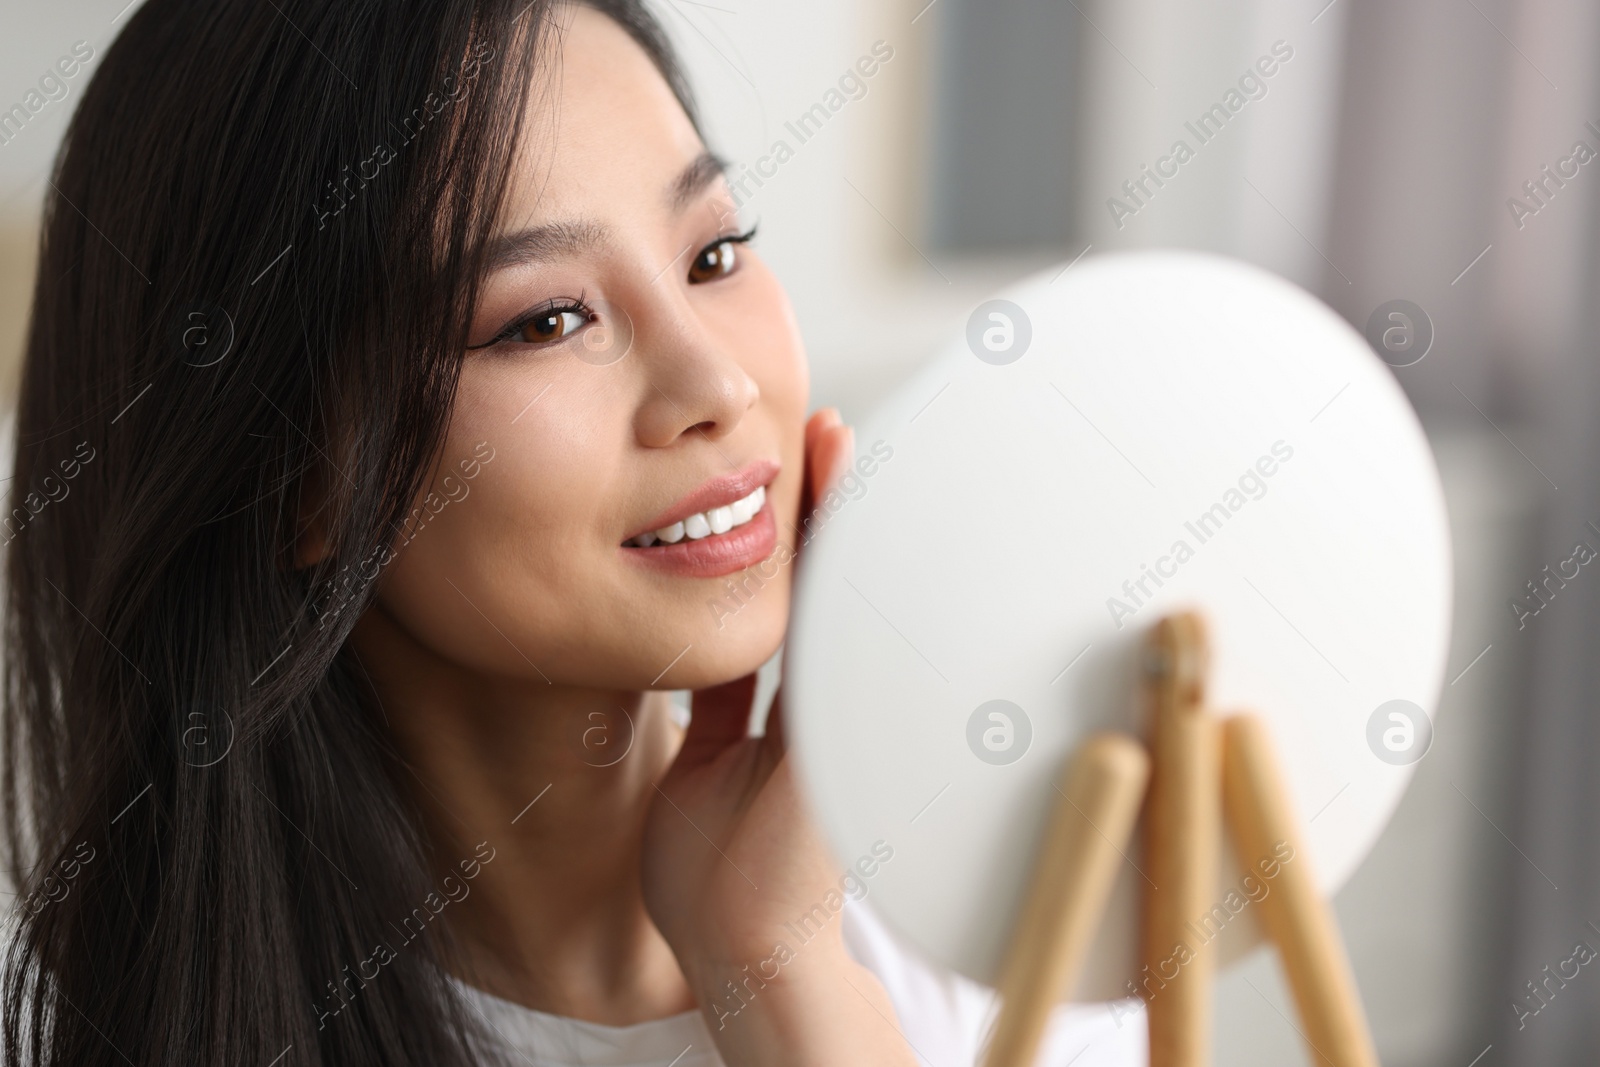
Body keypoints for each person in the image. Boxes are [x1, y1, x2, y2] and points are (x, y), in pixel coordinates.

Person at [0, 1, 1146, 1063]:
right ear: (296, 482)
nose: (715, 380)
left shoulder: (1026, 928)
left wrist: (779, 971)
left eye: (713, 252)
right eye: (545, 319)